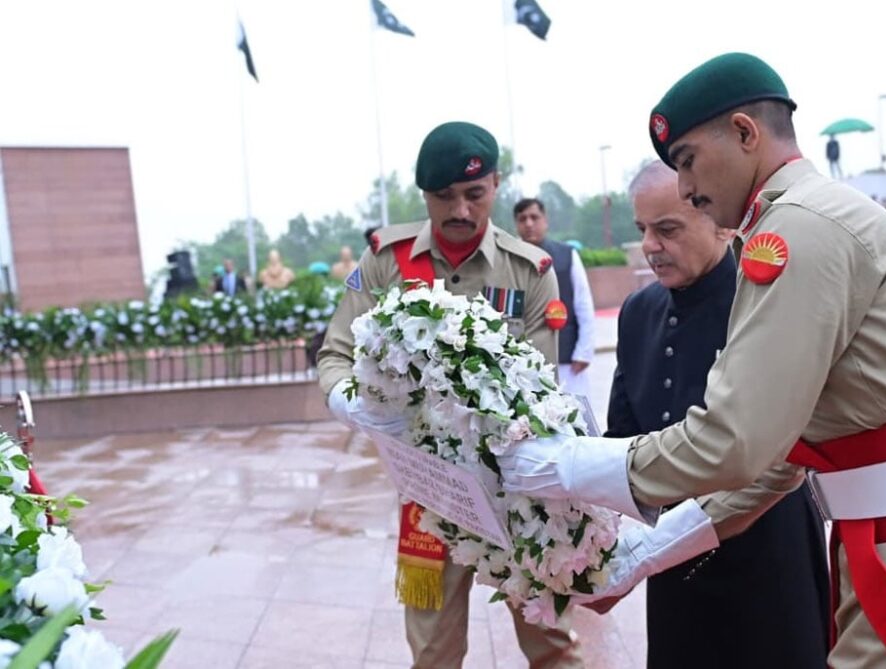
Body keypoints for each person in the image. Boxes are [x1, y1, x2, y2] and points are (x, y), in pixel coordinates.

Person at [499, 52, 886, 668]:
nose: (686, 187)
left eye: (688, 160)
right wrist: (642, 553)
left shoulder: (796, 230)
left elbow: (733, 440)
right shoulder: (812, 216)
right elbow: (782, 456)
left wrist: (566, 465)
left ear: (745, 133)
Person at [317, 121, 581, 669]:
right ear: (424, 195)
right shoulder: (386, 262)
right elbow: (335, 354)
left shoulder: (529, 271)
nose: (460, 210)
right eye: (444, 196)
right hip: (427, 491)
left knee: (552, 647)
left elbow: (540, 389)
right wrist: (353, 405)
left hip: (516, 492)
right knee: (433, 652)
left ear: (496, 184)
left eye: (474, 194)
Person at [598, 160, 829, 667]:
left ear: (722, 224)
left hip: (766, 546)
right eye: (643, 230)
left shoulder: (763, 301)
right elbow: (622, 439)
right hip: (672, 557)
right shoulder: (639, 312)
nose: (651, 246)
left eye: (668, 229)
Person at [513, 198, 596, 397]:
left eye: (534, 217)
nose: (529, 223)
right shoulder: (510, 260)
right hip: (522, 361)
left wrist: (584, 352)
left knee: (572, 412)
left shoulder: (567, 255)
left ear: (545, 220)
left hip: (566, 358)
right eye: (522, 219)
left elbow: (583, 304)